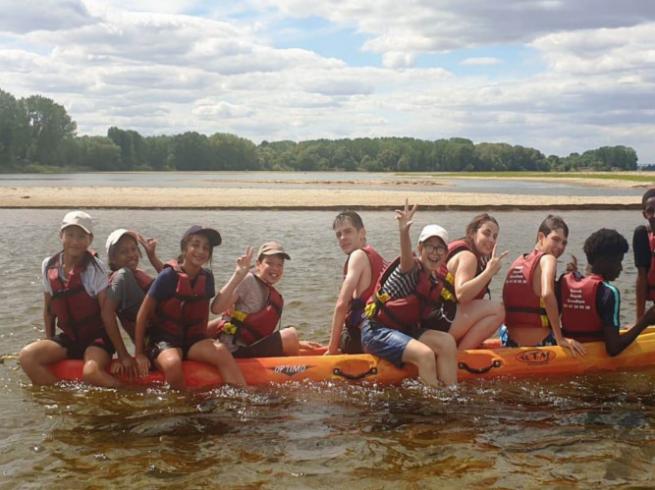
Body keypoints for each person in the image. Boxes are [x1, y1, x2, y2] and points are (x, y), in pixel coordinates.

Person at [134, 225, 245, 389]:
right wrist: (139, 353)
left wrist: (238, 275)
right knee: (172, 364)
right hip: (165, 341)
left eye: (206, 248)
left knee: (221, 351)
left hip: (194, 341)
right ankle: (182, 410)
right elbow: (142, 316)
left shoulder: (207, 277)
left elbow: (211, 310)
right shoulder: (167, 276)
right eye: (195, 244)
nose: (201, 251)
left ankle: (242, 395)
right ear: (185, 248)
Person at [360, 200, 458, 387]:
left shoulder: (436, 280)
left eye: (440, 248)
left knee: (447, 342)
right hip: (376, 331)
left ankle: (451, 394)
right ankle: (434, 405)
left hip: (404, 330)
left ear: (445, 254)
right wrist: (404, 231)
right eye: (430, 246)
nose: (434, 253)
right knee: (425, 354)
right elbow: (406, 258)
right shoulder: (411, 269)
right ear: (420, 249)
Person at [19, 211, 122, 387]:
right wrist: (49, 342)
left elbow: (107, 315)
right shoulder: (48, 266)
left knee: (91, 373)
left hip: (97, 340)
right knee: (27, 356)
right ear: (61, 235)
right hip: (69, 339)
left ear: (90, 240)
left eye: (81, 236)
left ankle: (126, 395)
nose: (75, 241)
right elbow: (49, 312)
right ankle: (63, 403)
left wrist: (123, 355)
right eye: (70, 235)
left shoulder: (96, 269)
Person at [211, 241, 315, 357]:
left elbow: (258, 330)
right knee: (290, 335)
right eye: (269, 263)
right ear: (258, 264)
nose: (275, 268)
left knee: (292, 338)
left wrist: (298, 344)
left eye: (280, 265)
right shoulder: (247, 280)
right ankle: (297, 371)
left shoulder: (270, 291)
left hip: (250, 346)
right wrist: (237, 275)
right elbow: (216, 308)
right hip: (234, 351)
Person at [560, 228, 655, 355]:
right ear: (604, 261)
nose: (621, 268)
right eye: (618, 261)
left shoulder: (565, 281)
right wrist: (645, 321)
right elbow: (613, 348)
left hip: (566, 351)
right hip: (593, 357)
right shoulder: (609, 292)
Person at [502, 215, 585, 355]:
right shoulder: (548, 259)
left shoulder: (518, 261)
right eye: (556, 239)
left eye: (564, 243)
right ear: (541, 237)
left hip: (509, 341)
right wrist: (560, 339)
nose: (560, 247)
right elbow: (547, 294)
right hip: (539, 341)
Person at [102, 228, 164, 378]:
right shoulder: (121, 277)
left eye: (133, 249)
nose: (131, 254)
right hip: (155, 344)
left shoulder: (137, 274)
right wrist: (124, 356)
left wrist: (152, 257)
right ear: (113, 259)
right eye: (124, 252)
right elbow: (107, 314)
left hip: (169, 334)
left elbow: (174, 282)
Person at [442, 213, 507, 349]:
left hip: (434, 317)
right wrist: (488, 272)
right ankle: (461, 356)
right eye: (486, 233)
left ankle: (461, 345)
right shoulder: (468, 257)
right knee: (499, 310)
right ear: (472, 233)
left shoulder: (465, 250)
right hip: (441, 320)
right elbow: (462, 294)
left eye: (494, 236)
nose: (491, 240)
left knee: (488, 305)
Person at [326, 211, 386, 355]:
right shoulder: (374, 255)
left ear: (362, 232)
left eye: (348, 232)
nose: (343, 238)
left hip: (359, 338)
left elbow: (341, 305)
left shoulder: (357, 256)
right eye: (338, 234)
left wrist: (331, 350)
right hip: (379, 332)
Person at [632, 187, 655, 321]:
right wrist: (639, 319)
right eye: (650, 211)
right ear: (644, 214)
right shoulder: (642, 236)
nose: (654, 215)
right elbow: (642, 276)